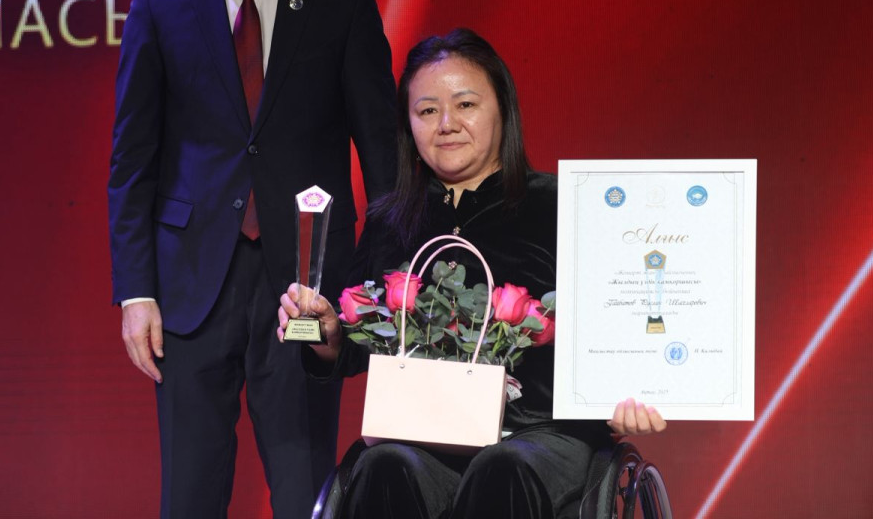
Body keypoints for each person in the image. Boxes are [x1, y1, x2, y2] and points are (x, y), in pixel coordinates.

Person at [108, 0, 397, 518]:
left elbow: (385, 158)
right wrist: (135, 291)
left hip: (306, 288)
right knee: (190, 496)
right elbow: (133, 159)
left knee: (306, 493)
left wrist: (372, 290)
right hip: (188, 285)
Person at [278, 28, 666, 519]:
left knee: (502, 467)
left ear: (502, 108)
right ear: (408, 125)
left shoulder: (562, 205)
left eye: (465, 105)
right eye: (427, 111)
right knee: (382, 465)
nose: (447, 124)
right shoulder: (390, 221)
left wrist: (634, 391)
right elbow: (355, 350)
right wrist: (328, 335)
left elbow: (620, 325)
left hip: (539, 435)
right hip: (423, 435)